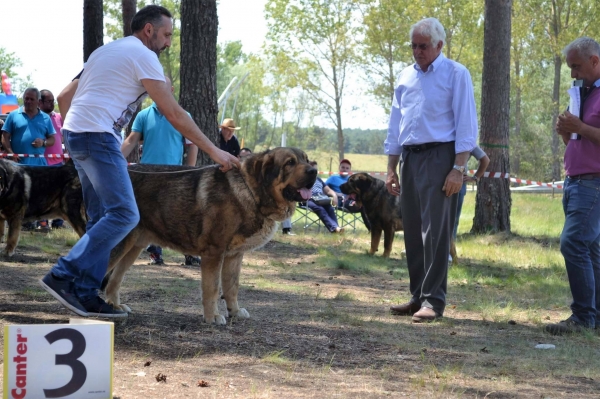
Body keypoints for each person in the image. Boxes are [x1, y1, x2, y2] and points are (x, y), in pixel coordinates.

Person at [38, 5, 240, 318]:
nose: (169, 43)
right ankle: (63, 275)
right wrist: (215, 152)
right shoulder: (144, 56)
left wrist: (75, 133)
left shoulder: (104, 52)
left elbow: (64, 97)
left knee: (99, 217)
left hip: (76, 133)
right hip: (97, 135)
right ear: (149, 30)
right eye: (167, 35)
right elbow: (174, 113)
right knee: (125, 215)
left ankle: (85, 291)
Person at [385, 17, 478, 323]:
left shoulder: (456, 74)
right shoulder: (405, 76)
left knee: (435, 233)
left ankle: (434, 300)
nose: (417, 51)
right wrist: (391, 168)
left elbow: (466, 124)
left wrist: (458, 168)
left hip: (441, 157)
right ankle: (417, 296)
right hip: (410, 158)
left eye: (423, 46)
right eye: (413, 45)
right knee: (411, 228)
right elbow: (395, 125)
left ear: (439, 45)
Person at [547, 37, 600, 335]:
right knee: (590, 249)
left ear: (595, 61)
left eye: (576, 67)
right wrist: (566, 132)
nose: (572, 74)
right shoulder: (583, 92)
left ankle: (582, 316)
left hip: (594, 183)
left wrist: (579, 127)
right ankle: (595, 316)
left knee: (573, 243)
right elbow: (579, 140)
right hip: (575, 180)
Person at [121, 76, 200, 266]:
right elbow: (132, 140)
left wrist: (189, 171)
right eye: (155, 88)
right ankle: (155, 253)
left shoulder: (184, 116)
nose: (159, 91)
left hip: (176, 176)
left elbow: (193, 145)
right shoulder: (143, 116)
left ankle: (190, 253)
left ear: (171, 90)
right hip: (148, 177)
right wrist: (114, 160)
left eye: (163, 87)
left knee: (181, 214)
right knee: (149, 215)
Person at [1, 88, 56, 166]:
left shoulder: (46, 118)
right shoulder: (13, 115)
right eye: (26, 98)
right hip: (17, 164)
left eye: (32, 99)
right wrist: (11, 154)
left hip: (40, 165)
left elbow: (52, 139)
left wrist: (43, 142)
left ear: (38, 101)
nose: (28, 101)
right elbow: (4, 137)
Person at [40, 89, 66, 229]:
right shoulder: (37, 118)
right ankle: (42, 221)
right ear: (40, 102)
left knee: (59, 194)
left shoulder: (59, 117)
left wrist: (67, 152)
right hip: (42, 163)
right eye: (48, 101)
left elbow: (66, 136)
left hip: (58, 163)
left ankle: (58, 222)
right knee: (42, 194)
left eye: (52, 101)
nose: (51, 104)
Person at [453, 146, 490, 241]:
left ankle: (449, 249)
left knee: (453, 220)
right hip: (439, 183)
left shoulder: (467, 142)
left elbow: (485, 160)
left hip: (459, 184)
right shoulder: (442, 138)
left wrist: (475, 178)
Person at [307, 161, 344, 234]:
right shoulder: (303, 179)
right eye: (313, 170)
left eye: (316, 170)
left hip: (320, 198)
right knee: (320, 209)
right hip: (308, 199)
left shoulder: (319, 179)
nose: (315, 172)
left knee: (330, 208)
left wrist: (334, 196)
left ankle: (337, 228)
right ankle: (334, 229)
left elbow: (328, 190)